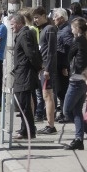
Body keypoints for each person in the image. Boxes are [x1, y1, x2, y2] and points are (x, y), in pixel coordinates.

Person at [62, 17, 87, 151]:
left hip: (76, 80)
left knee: (67, 111)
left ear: (78, 29)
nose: (71, 29)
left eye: (73, 27)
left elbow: (69, 55)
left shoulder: (78, 40)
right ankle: (79, 139)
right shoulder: (86, 41)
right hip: (82, 80)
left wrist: (66, 67)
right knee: (76, 111)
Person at [11, 13, 42, 141]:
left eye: (12, 25)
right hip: (22, 73)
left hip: (25, 74)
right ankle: (25, 129)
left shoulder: (24, 34)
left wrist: (37, 68)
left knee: (24, 104)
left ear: (18, 23)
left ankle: (28, 131)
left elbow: (32, 54)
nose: (11, 27)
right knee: (23, 103)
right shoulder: (22, 34)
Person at [32, 7, 58, 135]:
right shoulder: (42, 30)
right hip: (42, 68)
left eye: (37, 17)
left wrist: (47, 69)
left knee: (48, 96)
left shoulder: (50, 29)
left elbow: (52, 52)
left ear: (44, 16)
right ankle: (49, 123)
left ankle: (50, 125)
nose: (35, 20)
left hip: (47, 69)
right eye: (34, 18)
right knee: (44, 95)